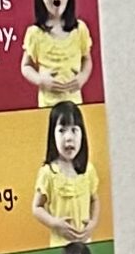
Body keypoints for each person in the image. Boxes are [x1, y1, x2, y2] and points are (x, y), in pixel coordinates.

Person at [20, 0, 93, 106]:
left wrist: (82, 77)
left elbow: (87, 59)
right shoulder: (35, 33)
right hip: (47, 106)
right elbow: (25, 66)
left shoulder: (80, 29)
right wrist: (41, 80)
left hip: (75, 104)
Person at [31, 100, 98, 244]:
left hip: (85, 242)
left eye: (74, 130)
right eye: (62, 130)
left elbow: (94, 199)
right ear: (52, 136)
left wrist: (92, 223)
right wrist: (54, 223)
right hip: (59, 244)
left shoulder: (88, 170)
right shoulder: (48, 173)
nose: (68, 138)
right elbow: (37, 207)